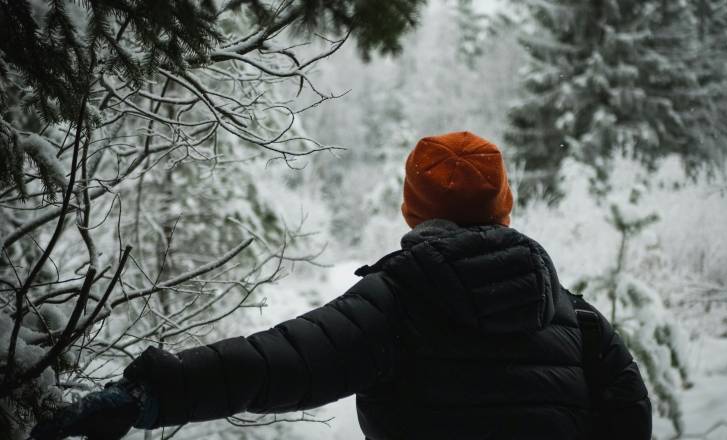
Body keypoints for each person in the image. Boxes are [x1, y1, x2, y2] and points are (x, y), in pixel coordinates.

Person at [32, 131, 652, 440]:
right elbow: (630, 415)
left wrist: (148, 395)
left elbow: (276, 362)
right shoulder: (574, 315)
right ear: (503, 206)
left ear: (414, 211)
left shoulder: (399, 300)